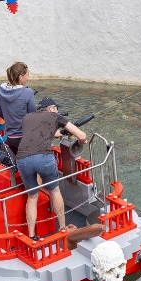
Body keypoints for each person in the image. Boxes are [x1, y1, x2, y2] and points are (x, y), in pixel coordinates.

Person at [16, 97, 86, 239]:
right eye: (56, 108)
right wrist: (80, 143)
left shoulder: (27, 117)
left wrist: (59, 134)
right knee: (55, 191)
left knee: (32, 196)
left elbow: (39, 134)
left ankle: (31, 235)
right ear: (50, 108)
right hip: (43, 158)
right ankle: (62, 229)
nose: (57, 111)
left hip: (22, 159)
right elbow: (82, 135)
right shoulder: (55, 116)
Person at [0, 61, 35, 154]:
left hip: (10, 137)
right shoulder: (28, 92)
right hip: (24, 137)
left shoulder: (1, 90)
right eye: (27, 75)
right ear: (21, 77)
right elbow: (33, 116)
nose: (28, 78)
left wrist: (10, 119)